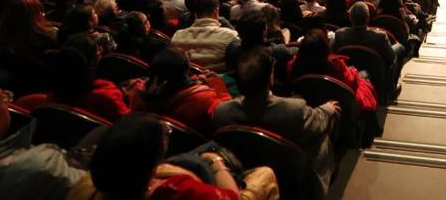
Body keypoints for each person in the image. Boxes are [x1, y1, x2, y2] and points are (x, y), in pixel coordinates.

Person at [213, 48, 340, 194]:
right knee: (322, 137)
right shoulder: (295, 109)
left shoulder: (221, 113)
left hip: (247, 170)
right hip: (290, 175)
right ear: (271, 78)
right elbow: (319, 120)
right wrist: (328, 108)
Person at [87, 113, 278, 200]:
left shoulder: (91, 186)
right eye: (165, 134)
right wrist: (215, 161)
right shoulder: (177, 191)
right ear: (153, 156)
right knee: (264, 174)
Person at [15, 35, 131, 122]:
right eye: (97, 55)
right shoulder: (107, 95)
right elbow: (128, 123)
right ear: (93, 62)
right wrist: (133, 98)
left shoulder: (31, 97)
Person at [131, 48, 230, 137]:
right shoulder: (202, 99)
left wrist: (195, 81)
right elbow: (227, 117)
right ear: (186, 71)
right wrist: (218, 85)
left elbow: (169, 84)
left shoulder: (137, 94)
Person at [170, 0, 241, 72]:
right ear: (216, 12)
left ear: (196, 15)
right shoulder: (230, 36)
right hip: (217, 82)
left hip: (188, 82)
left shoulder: (177, 36)